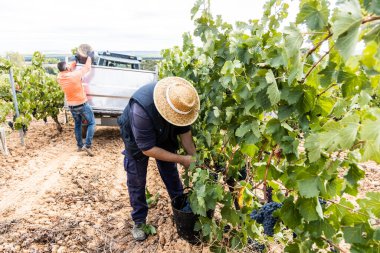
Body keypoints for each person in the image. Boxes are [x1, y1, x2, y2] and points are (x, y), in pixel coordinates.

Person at [118, 77, 199, 241]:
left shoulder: (181, 104)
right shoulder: (141, 110)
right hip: (137, 140)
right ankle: (139, 221)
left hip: (165, 134)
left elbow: (187, 140)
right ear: (166, 109)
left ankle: (180, 208)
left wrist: (195, 159)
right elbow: (147, 149)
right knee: (137, 179)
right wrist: (182, 159)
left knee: (171, 174)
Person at [57, 54, 95, 156]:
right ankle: (87, 145)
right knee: (91, 123)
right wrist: (89, 57)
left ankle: (79, 145)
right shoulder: (75, 75)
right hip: (82, 103)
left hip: (71, 106)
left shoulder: (60, 77)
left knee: (77, 124)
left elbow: (69, 68)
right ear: (66, 68)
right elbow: (87, 68)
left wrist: (75, 61)